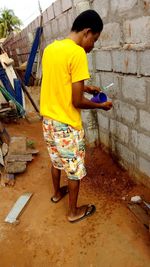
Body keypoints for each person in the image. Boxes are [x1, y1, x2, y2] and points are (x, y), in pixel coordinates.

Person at [40, 9, 112, 223]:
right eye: (95, 40)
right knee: (74, 170)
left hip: (48, 122)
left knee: (56, 162)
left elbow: (58, 81)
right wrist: (102, 106)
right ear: (87, 32)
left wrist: (86, 86)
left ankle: (56, 194)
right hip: (66, 125)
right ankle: (73, 212)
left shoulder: (50, 49)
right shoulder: (78, 53)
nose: (93, 45)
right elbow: (77, 101)